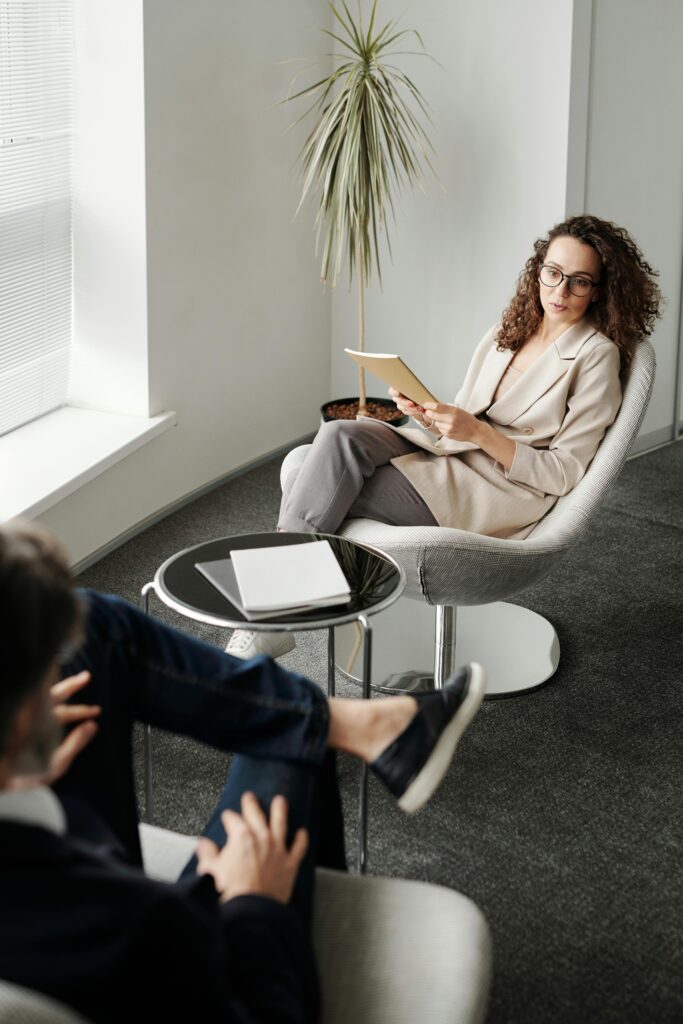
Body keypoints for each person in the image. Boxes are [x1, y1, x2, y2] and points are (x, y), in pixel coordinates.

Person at [0, 521, 486, 1024]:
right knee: (287, 743)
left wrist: (11, 767)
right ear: (18, 722)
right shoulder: (141, 925)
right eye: (41, 679)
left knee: (95, 629)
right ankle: (352, 747)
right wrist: (257, 906)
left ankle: (351, 726)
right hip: (213, 955)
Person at [227, 214, 662, 660]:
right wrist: (424, 412)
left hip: (497, 485)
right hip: (449, 451)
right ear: (538, 270)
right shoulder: (508, 331)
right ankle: (282, 605)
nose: (560, 291)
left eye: (579, 281)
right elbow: (466, 416)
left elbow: (566, 472)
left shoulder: (596, 357)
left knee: (327, 487)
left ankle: (267, 615)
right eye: (552, 273)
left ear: (599, 289)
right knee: (339, 437)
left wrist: (475, 432)